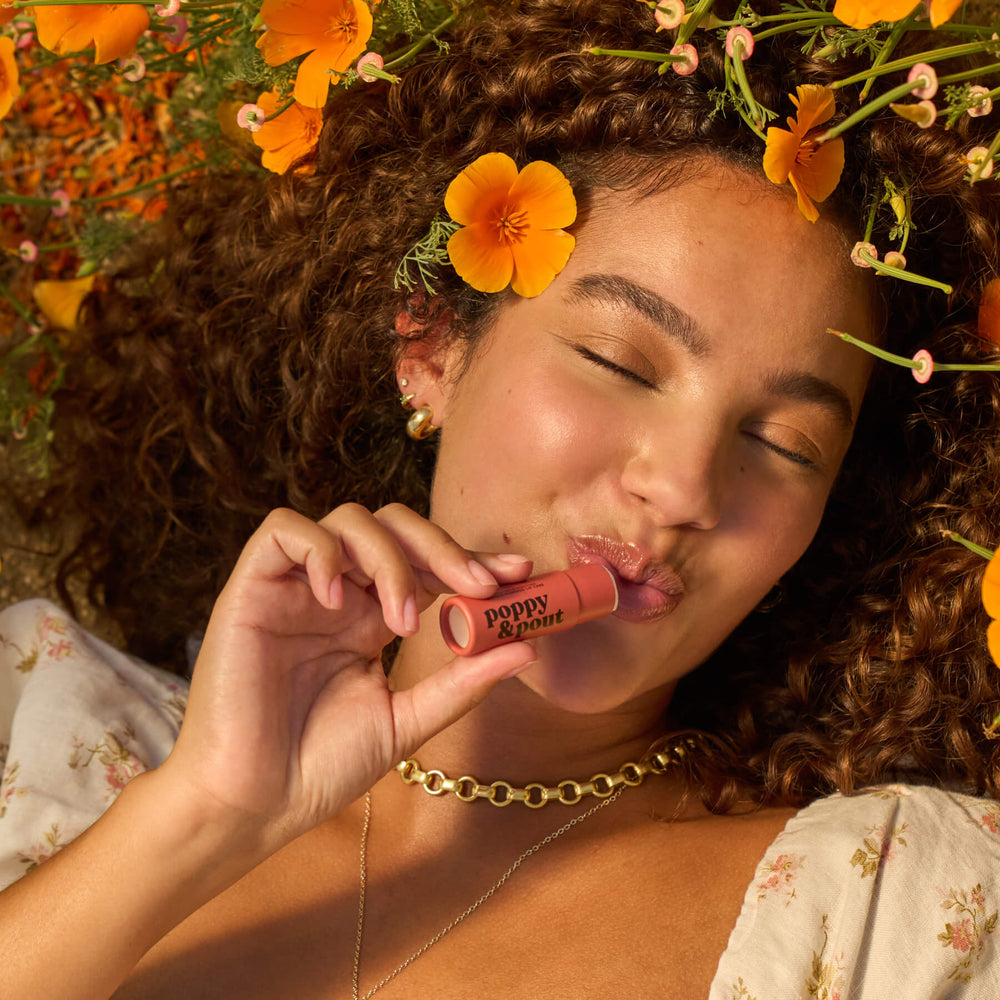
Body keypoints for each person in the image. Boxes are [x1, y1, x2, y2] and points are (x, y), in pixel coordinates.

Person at [2, 0, 1000, 996]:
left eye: (784, 443)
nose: (684, 485)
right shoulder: (50, 747)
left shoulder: (893, 912)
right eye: (619, 362)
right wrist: (204, 813)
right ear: (431, 346)